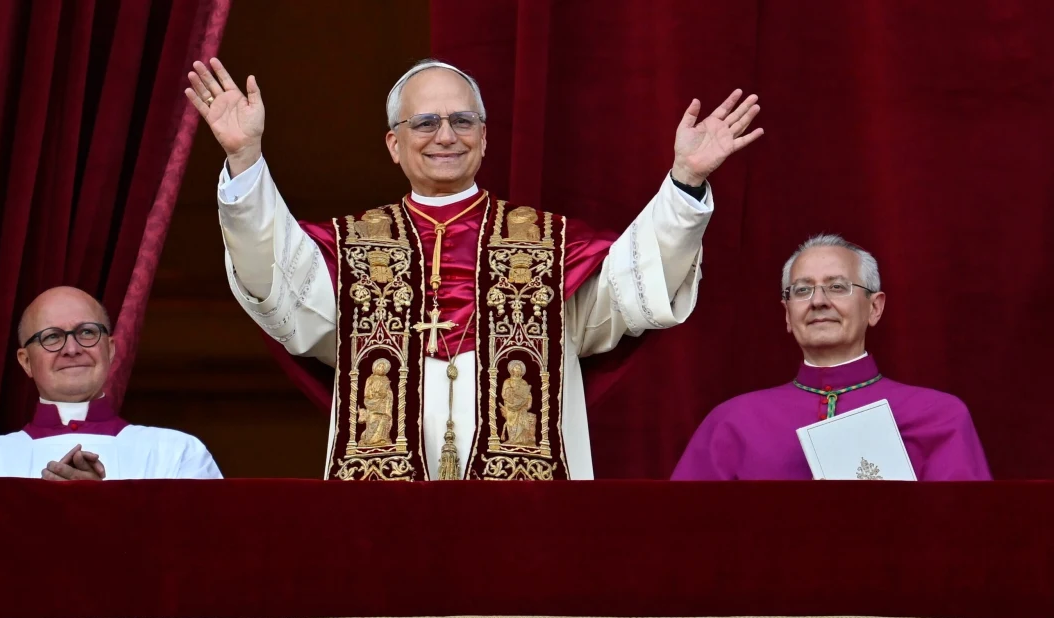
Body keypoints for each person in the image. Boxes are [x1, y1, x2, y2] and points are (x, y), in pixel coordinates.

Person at [185, 57, 762, 480]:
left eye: (463, 121)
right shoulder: (350, 246)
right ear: (392, 143)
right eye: (425, 122)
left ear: (484, 139)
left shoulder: (548, 244)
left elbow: (635, 286)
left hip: (526, 504)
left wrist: (685, 181)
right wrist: (244, 159)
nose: (445, 136)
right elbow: (275, 282)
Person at [671, 235, 991, 481]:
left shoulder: (940, 417)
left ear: (875, 307)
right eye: (801, 290)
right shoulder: (732, 423)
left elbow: (968, 537)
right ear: (787, 314)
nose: (818, 301)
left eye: (837, 287)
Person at [0, 287, 222, 480]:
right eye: (52, 337)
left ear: (110, 349)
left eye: (86, 332)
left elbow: (200, 558)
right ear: (25, 361)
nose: (72, 349)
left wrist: (105, 508)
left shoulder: (177, 454)